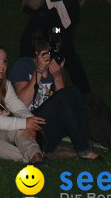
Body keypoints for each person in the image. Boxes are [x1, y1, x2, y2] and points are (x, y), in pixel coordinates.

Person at [9, 30, 99, 159]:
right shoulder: (24, 65)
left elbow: (65, 106)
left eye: (55, 51)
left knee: (75, 92)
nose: (51, 56)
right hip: (29, 126)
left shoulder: (56, 70)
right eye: (48, 52)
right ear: (37, 52)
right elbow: (22, 103)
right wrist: (38, 72)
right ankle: (84, 150)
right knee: (69, 93)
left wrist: (57, 77)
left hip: (49, 129)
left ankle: (84, 146)